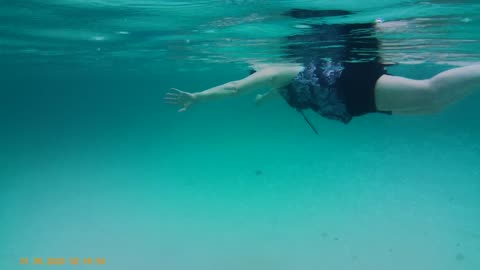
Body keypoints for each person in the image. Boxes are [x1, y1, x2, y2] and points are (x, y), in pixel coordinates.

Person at [164, 9, 480, 132]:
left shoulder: (275, 68)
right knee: (432, 107)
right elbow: (285, 88)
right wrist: (264, 99)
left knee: (430, 94)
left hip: (352, 87)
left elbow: (235, 88)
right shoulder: (279, 76)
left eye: (251, 70)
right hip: (351, 98)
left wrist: (198, 97)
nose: (251, 71)